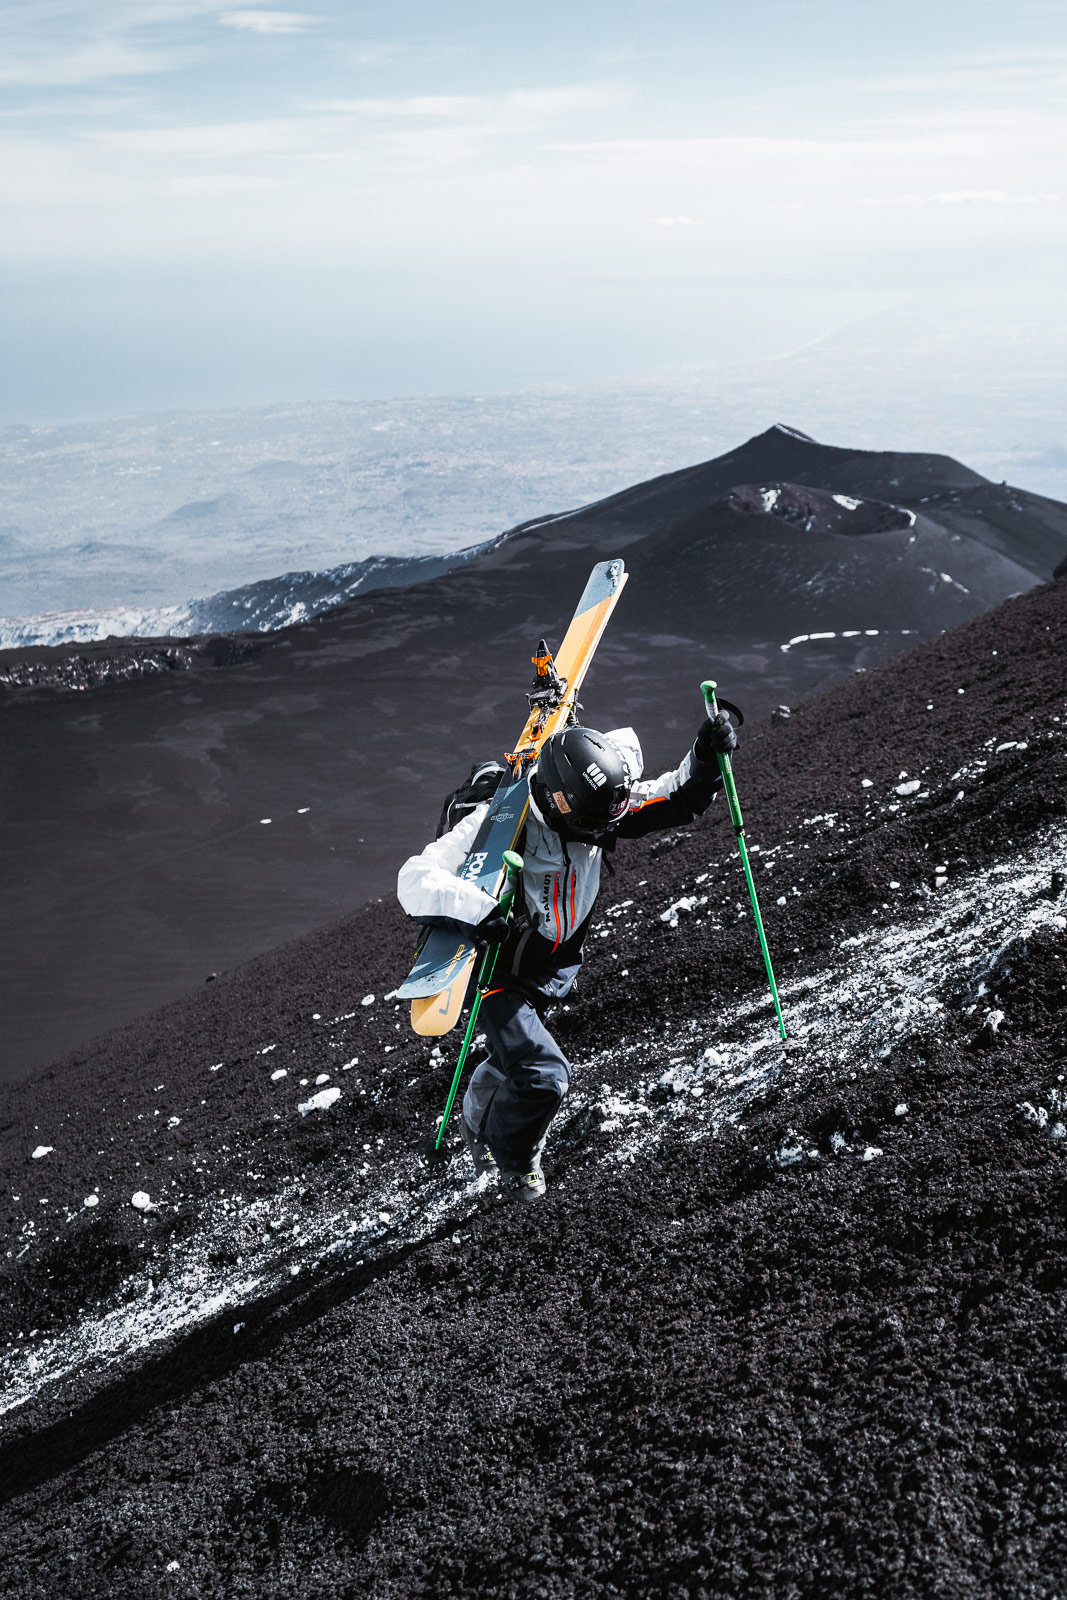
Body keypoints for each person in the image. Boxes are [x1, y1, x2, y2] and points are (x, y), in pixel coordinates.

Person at [397, 710, 738, 1203]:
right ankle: (514, 1162)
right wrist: (476, 909)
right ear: (562, 808)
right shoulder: (494, 822)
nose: (608, 832)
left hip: (558, 961)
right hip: (502, 974)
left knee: (520, 1057)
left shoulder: (597, 805)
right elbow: (415, 877)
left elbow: (673, 796)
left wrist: (705, 755)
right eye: (597, 826)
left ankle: (484, 1104)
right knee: (545, 1077)